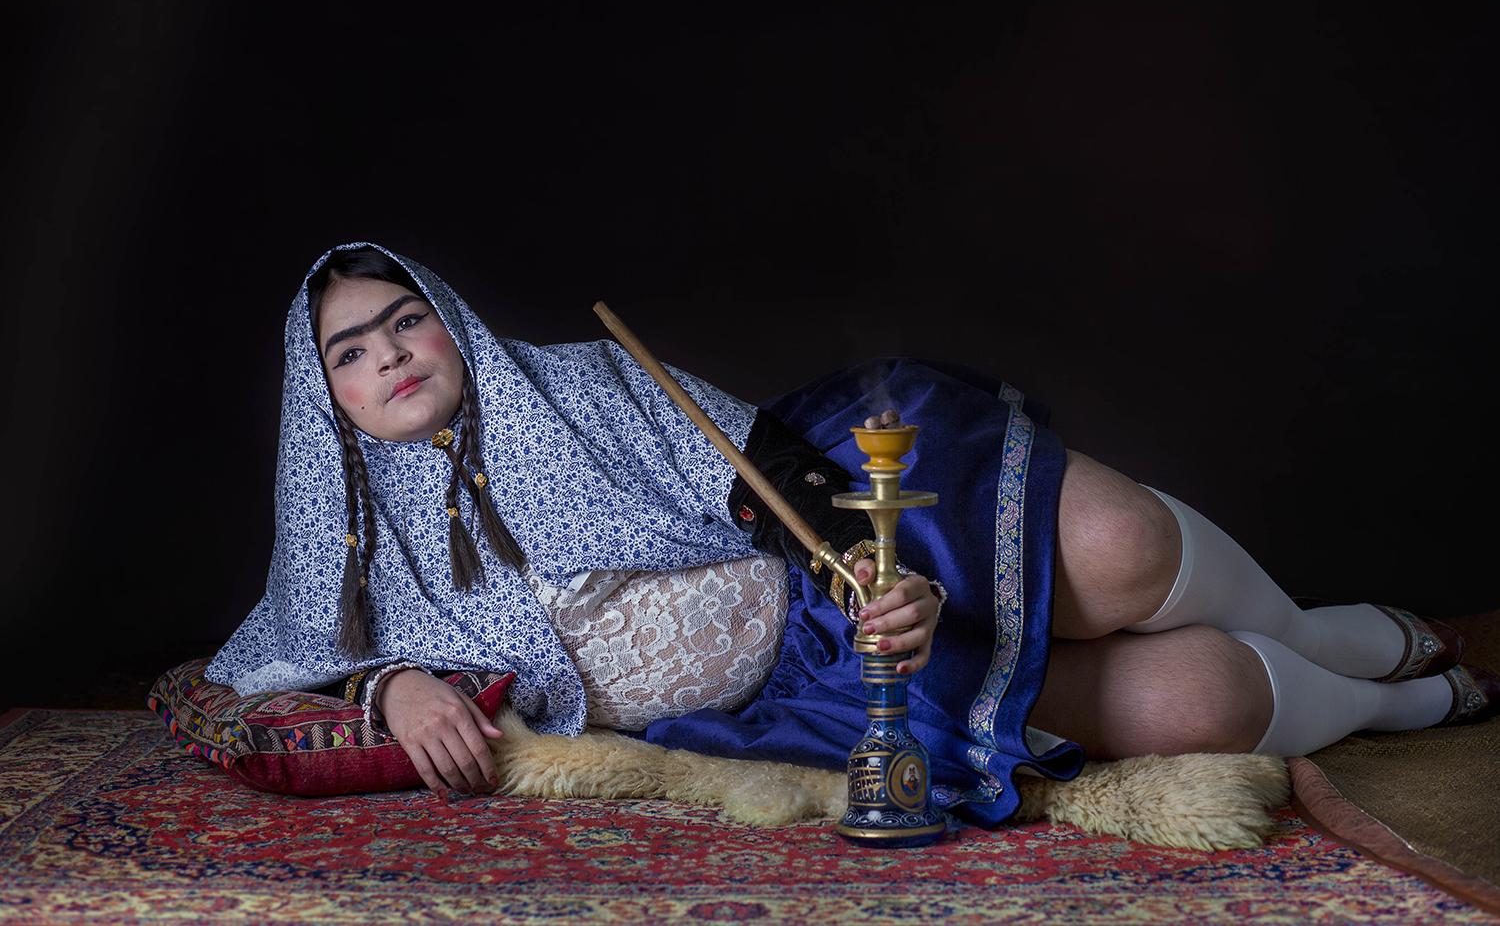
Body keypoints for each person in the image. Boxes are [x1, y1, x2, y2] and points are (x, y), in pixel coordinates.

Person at [206, 243, 1496, 824]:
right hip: (794, 696)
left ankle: (1366, 636)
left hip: (823, 569)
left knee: (1126, 554)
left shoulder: (578, 385)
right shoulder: (352, 547)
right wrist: (398, 679)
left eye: (405, 322)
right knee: (1195, 698)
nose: (390, 358)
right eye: (352, 352)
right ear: (327, 393)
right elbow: (252, 673)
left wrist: (873, 568)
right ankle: (1410, 705)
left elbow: (761, 469)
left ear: (450, 323)